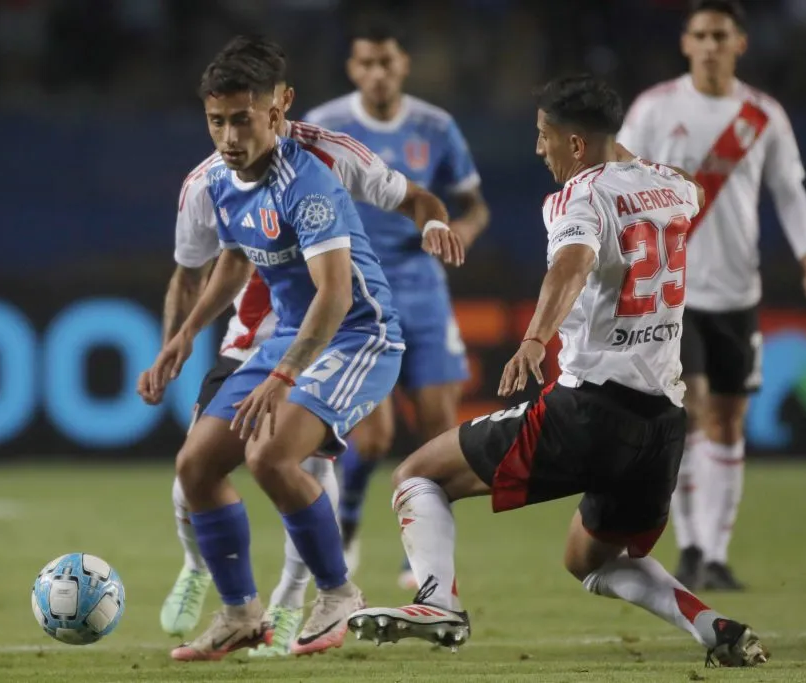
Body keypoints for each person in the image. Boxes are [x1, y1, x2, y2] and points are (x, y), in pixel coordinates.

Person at [347, 74, 769, 668]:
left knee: (419, 475)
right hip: (661, 428)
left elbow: (570, 265)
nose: (538, 149)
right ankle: (712, 625)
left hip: (594, 408)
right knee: (587, 559)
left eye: (544, 136)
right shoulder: (674, 187)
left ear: (575, 143)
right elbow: (666, 197)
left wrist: (535, 337)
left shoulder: (579, 196)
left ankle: (438, 600)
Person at [145, 36, 463, 657]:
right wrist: (181, 338)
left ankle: (337, 594)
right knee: (195, 467)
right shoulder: (214, 182)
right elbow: (233, 260)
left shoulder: (309, 178)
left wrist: (281, 375)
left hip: (359, 335)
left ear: (276, 110)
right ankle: (241, 613)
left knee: (271, 457)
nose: (229, 137)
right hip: (292, 334)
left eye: (242, 120)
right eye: (217, 122)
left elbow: (337, 297)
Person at [616, 0, 806, 591]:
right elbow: (619, 176)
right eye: (701, 35)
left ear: (740, 43)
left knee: (731, 423)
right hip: (674, 293)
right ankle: (690, 548)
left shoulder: (764, 115)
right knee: (693, 417)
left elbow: (790, 193)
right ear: (686, 44)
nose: (710, 44)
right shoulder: (655, 108)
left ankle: (714, 552)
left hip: (739, 292)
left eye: (721, 35)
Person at [304, 17, 490, 588]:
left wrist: (453, 233)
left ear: (403, 64)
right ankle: (351, 515)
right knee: (376, 435)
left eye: (387, 62)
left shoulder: (436, 127)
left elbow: (474, 206)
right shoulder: (324, 126)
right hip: (357, 289)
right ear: (352, 68)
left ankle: (426, 566)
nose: (378, 73)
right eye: (366, 63)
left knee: (439, 432)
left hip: (423, 287)